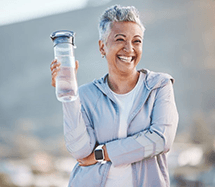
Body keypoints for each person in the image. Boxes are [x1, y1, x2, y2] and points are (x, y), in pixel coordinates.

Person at [50, 4, 178, 187]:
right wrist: (69, 94)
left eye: (137, 41)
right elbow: (80, 150)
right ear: (102, 47)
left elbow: (161, 139)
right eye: (120, 39)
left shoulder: (159, 86)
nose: (129, 48)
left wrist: (102, 154)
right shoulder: (86, 94)